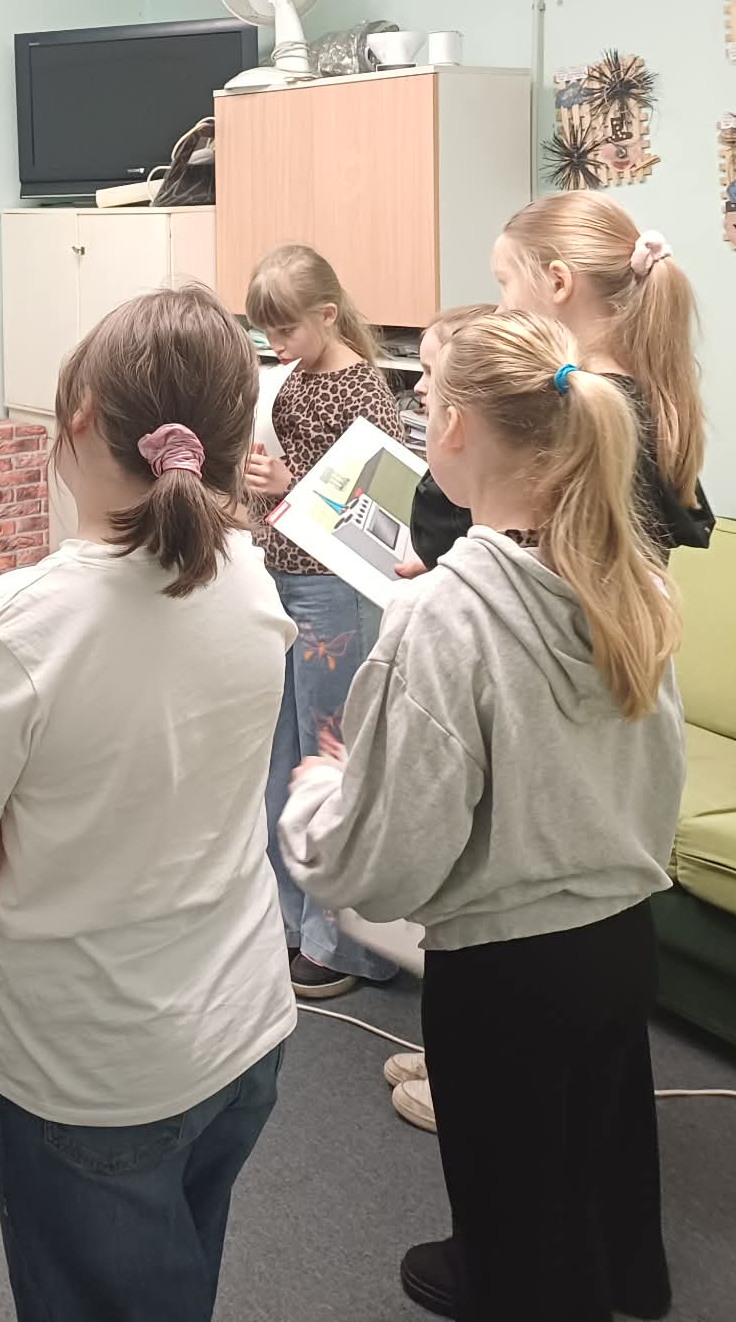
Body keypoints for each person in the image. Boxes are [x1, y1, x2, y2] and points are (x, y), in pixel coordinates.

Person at [0, 287, 295, 1322]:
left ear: (75, 420)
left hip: (90, 1068)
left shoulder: (13, 628)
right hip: (242, 1025)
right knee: (176, 1277)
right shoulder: (252, 580)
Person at [281, 312, 685, 1322]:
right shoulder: (632, 577)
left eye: (424, 403)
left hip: (508, 977)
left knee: (514, 1233)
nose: (419, 418)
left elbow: (378, 866)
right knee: (597, 1168)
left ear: (454, 427)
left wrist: (319, 796)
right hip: (622, 941)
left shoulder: (443, 616)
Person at [243, 242, 406, 999]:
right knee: (282, 752)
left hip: (332, 591)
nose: (277, 345)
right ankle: (288, 918)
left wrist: (289, 481)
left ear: (328, 315)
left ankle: (342, 942)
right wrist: (264, 486)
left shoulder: (361, 386)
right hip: (283, 577)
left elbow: (379, 506)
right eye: (268, 332)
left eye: (286, 330)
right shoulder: (300, 376)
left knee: (330, 760)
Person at [406, 197, 713, 574]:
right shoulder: (640, 400)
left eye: (504, 284)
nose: (500, 309)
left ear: (558, 282)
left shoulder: (563, 410)